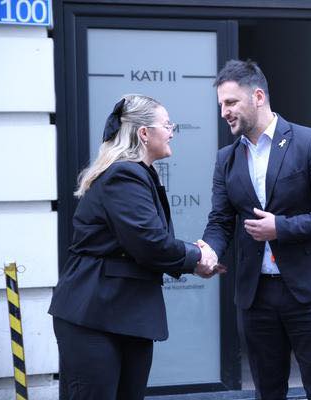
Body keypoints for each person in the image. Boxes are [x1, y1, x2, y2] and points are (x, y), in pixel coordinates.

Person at [48, 94, 221, 400]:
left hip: (124, 314)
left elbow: (147, 243)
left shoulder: (137, 173)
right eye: (167, 125)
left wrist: (193, 258)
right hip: (94, 315)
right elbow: (149, 242)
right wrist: (197, 257)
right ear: (144, 133)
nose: (172, 132)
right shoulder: (124, 174)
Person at [201, 59, 311, 400]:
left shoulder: (309, 142)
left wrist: (280, 228)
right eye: (221, 105)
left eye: (230, 102)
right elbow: (220, 220)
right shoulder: (226, 158)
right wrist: (208, 251)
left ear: (257, 97)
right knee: (267, 392)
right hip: (257, 296)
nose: (224, 112)